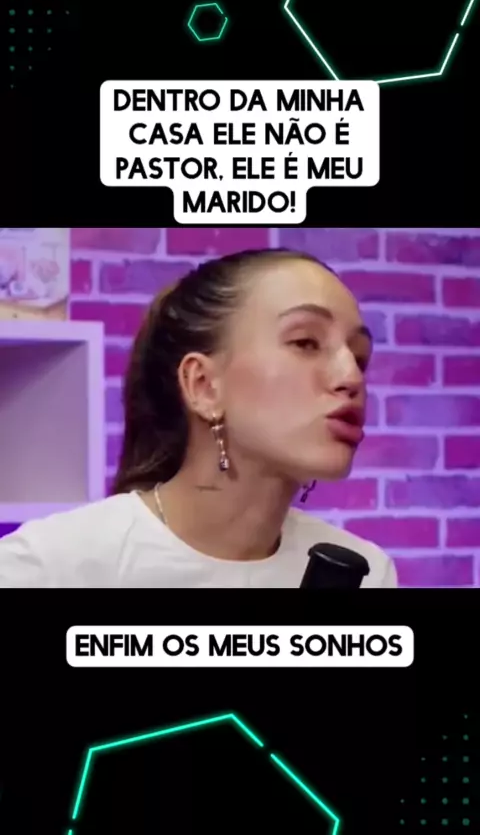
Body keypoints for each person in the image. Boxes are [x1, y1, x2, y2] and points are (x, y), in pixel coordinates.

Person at [0, 248, 397, 588]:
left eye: (360, 357)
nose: (351, 378)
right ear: (203, 385)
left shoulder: (366, 573)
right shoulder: (47, 569)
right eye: (306, 342)